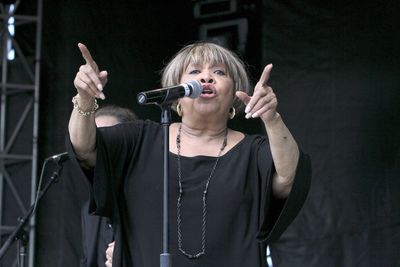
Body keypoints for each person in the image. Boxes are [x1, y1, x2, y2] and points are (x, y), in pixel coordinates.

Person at [67, 41, 311, 267]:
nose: (206, 77)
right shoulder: (138, 140)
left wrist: (272, 118)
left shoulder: (253, 152)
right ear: (175, 97)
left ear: (234, 97)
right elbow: (84, 147)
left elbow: (289, 177)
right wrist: (85, 98)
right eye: (194, 72)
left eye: (219, 72)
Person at [80, 105, 137, 267]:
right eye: (93, 140)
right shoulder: (88, 211)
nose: (98, 147)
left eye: (106, 138)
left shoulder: (152, 202)